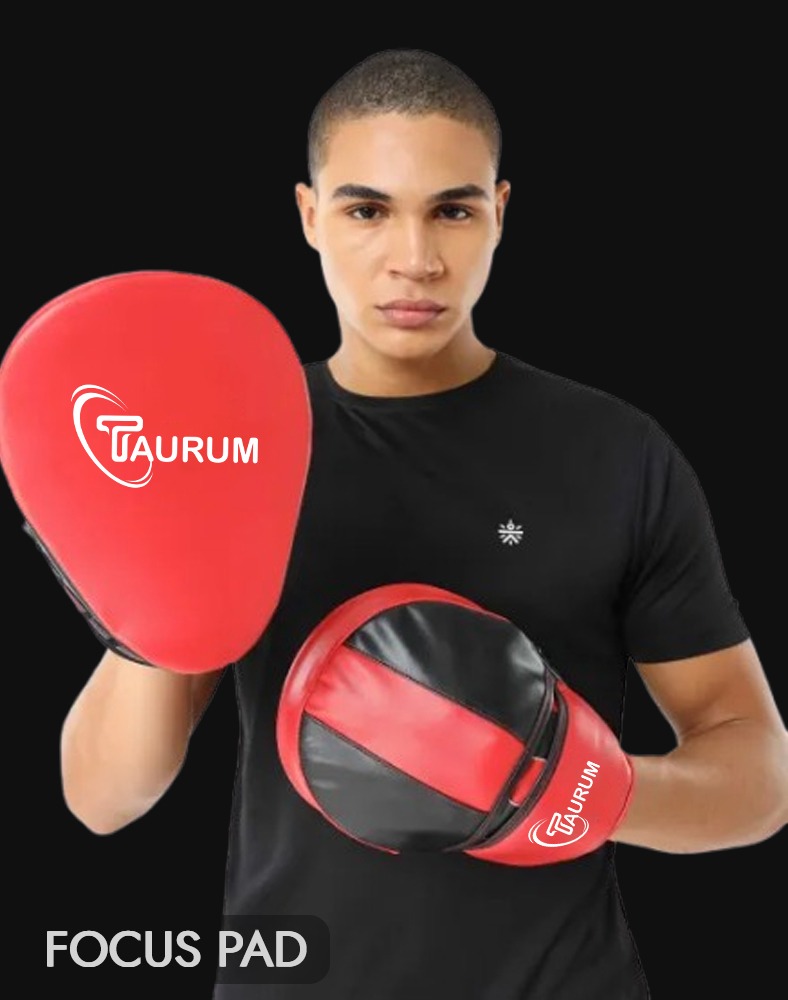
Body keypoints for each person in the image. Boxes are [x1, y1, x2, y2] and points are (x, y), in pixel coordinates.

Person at [59, 49, 787, 999]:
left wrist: (579, 792)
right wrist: (157, 571)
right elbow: (104, 800)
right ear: (309, 217)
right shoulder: (239, 452)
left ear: (500, 213)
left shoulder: (615, 452)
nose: (416, 258)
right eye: (367, 210)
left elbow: (759, 774)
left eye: (453, 210)